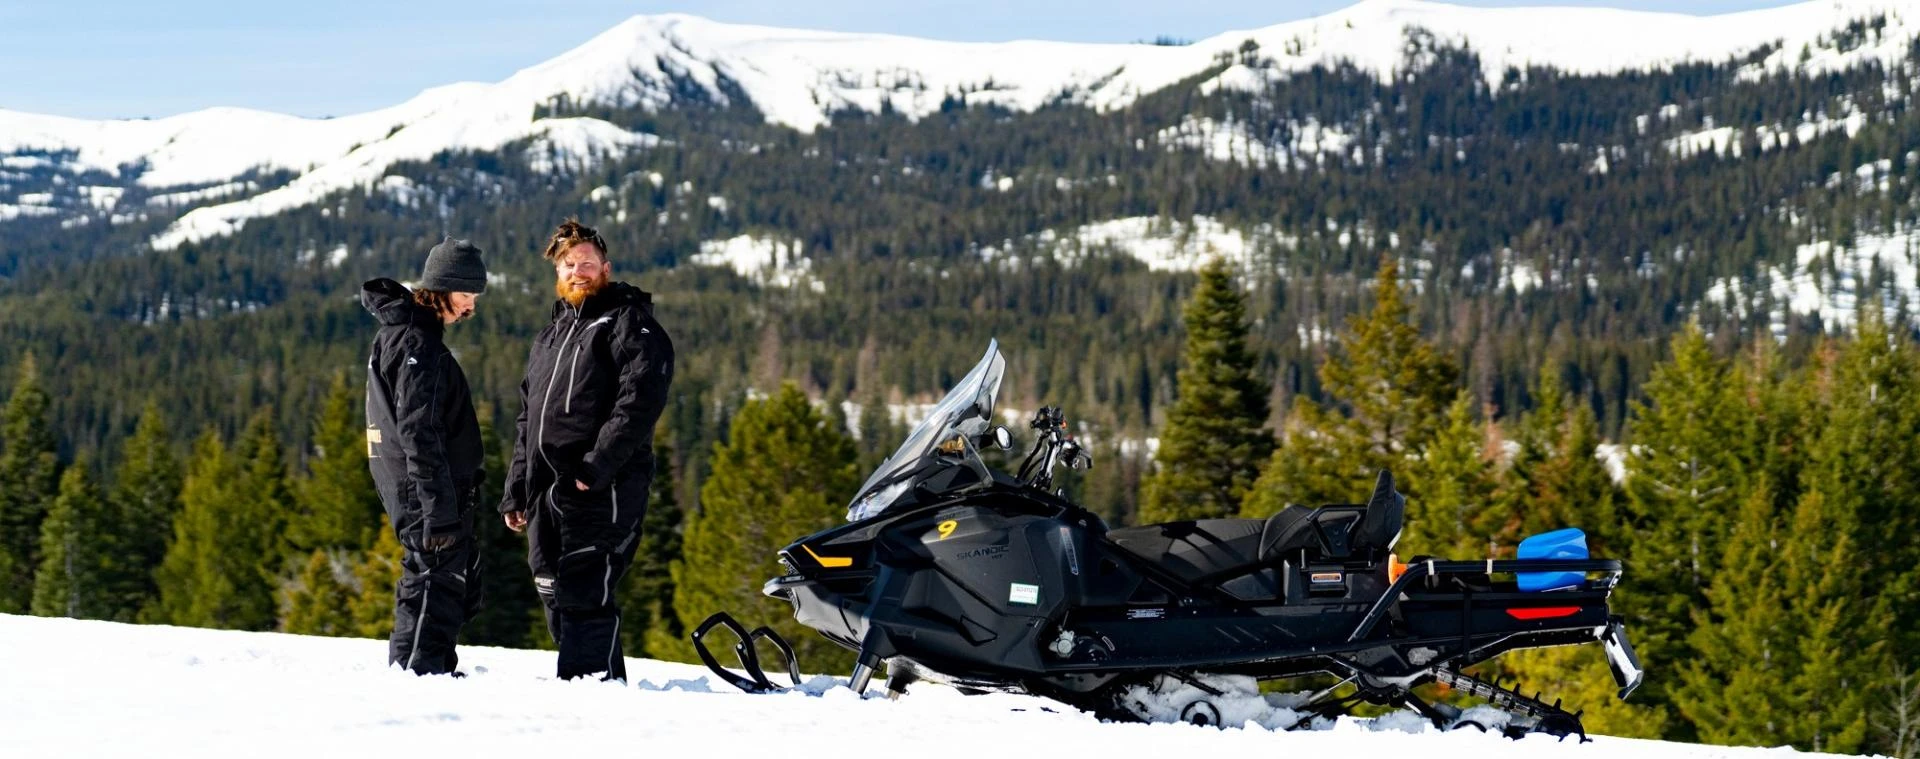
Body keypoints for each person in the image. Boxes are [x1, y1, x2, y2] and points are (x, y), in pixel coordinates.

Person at [500, 219, 674, 681]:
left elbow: (639, 403)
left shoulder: (628, 323)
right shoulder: (551, 336)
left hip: (601, 485)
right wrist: (517, 488)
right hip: (545, 488)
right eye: (569, 264)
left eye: (587, 263)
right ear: (558, 273)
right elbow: (528, 420)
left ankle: (587, 692)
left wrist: (597, 465)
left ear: (606, 268)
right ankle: (603, 684)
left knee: (584, 585)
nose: (579, 271)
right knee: (553, 587)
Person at [361, 237, 489, 675]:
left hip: (424, 492)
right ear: (443, 288)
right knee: (432, 585)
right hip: (427, 496)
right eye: (466, 295)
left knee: (443, 587)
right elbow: (419, 431)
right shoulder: (418, 344)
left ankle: (429, 671)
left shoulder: (404, 334)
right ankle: (419, 677)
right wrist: (438, 510)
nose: (470, 307)